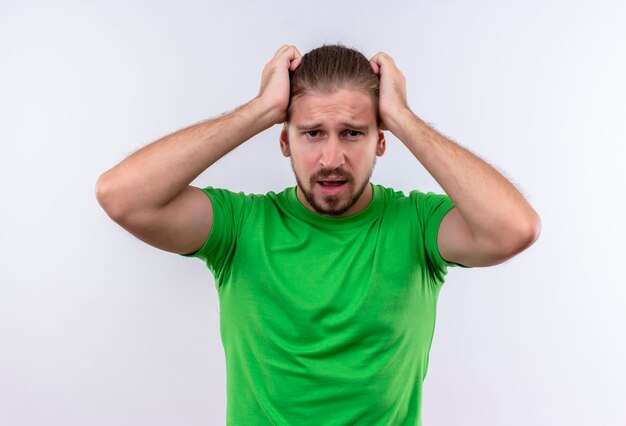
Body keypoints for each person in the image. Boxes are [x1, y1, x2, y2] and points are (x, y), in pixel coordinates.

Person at [96, 44, 541, 425]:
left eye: (352, 133)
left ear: (381, 142)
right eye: (312, 133)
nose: (332, 157)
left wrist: (402, 116)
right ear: (285, 140)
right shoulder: (240, 225)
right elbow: (121, 196)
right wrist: (261, 110)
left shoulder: (418, 224)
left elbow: (515, 229)